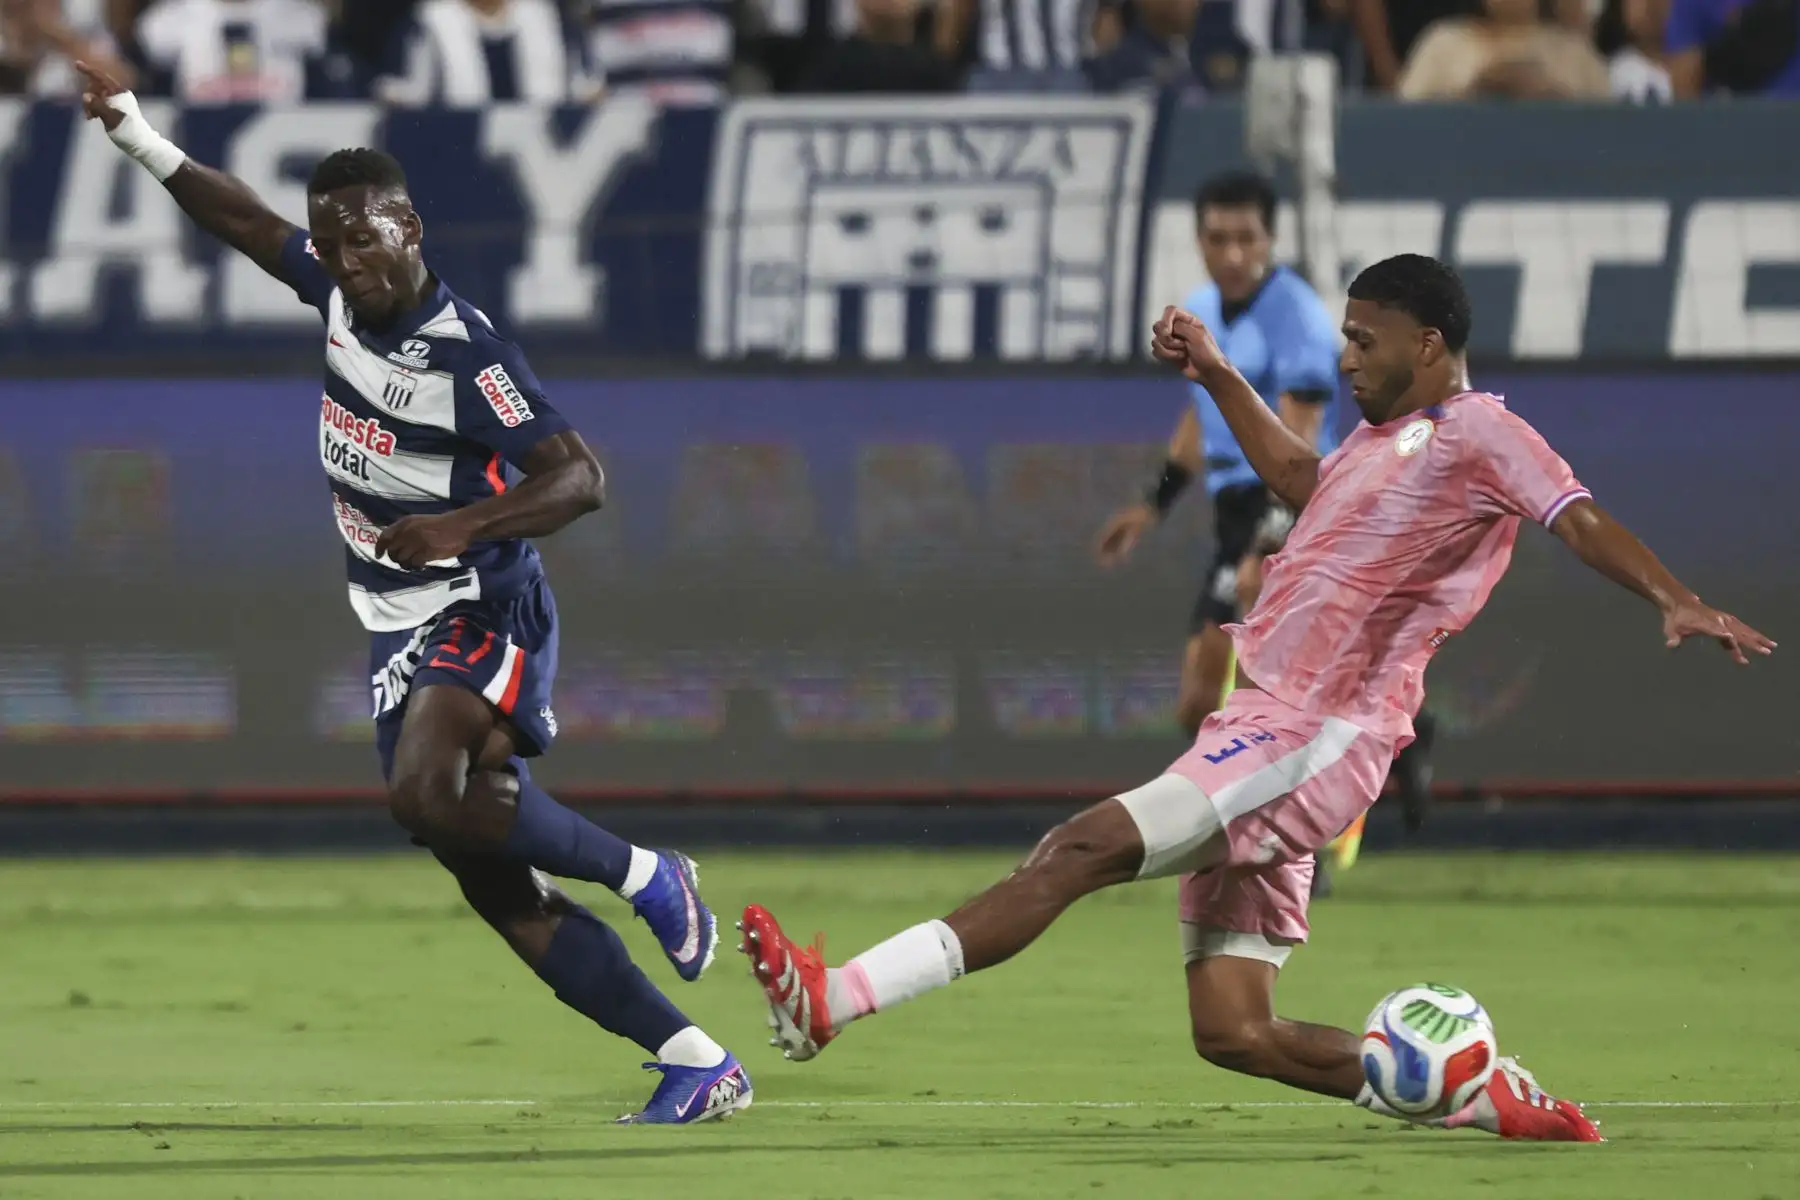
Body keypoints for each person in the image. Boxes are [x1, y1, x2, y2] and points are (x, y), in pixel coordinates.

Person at [740, 253, 1773, 1143]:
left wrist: (1676, 600)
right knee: (1234, 1030)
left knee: (1079, 848)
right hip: (1264, 724)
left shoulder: (1481, 432)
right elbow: (1297, 479)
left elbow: (1576, 515)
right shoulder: (1378, 446)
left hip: (1320, 733)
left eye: (1366, 341)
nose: (1348, 358)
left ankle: (831, 1001)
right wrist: (1220, 374)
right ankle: (1475, 1096)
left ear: (1428, 340)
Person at [76, 60, 750, 1126]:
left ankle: (649, 873)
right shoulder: (338, 300)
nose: (346, 261)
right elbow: (246, 221)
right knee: (488, 872)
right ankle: (694, 1057)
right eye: (332, 243)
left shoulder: (466, 353)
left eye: (365, 239)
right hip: (397, 624)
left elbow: (581, 478)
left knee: (421, 795)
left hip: (483, 603)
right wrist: (136, 135)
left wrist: (456, 526)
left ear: (411, 227)